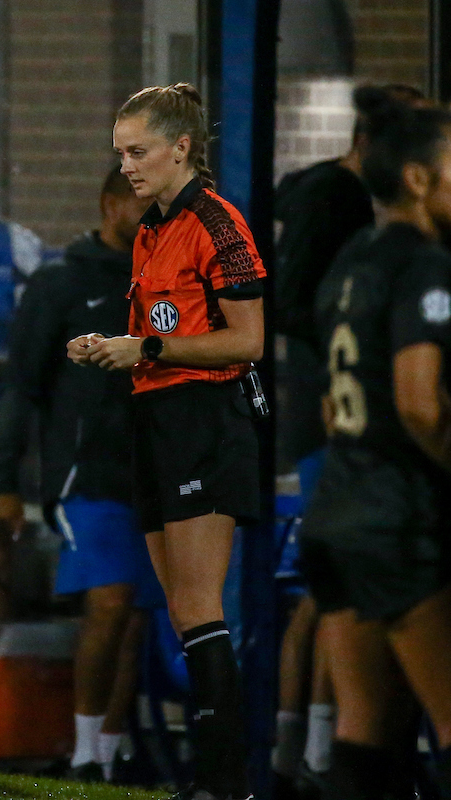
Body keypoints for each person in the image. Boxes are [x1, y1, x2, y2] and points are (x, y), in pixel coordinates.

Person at [71, 83, 266, 800]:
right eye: (120, 152)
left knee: (200, 605)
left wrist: (147, 347)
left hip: (206, 422)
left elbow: (249, 341)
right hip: (157, 419)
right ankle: (215, 780)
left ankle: (227, 782)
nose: (125, 165)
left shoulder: (216, 222)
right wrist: (116, 347)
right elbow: (163, 330)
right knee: (183, 608)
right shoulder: (152, 226)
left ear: (181, 148)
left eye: (138, 150)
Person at [270, 85, 424, 795]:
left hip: (342, 438)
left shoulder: (361, 244)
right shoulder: (361, 227)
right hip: (356, 444)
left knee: (332, 592)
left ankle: (318, 747)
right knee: (333, 595)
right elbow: (295, 300)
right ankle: (306, 747)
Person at [301, 104, 451, 800]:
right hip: (400, 520)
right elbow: (420, 402)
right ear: (420, 179)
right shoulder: (424, 264)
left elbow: (333, 408)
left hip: (338, 512)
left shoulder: (350, 262)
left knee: (366, 733)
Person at [0, 165, 159, 784]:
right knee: (110, 604)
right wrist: (4, 483)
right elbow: (22, 386)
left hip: (153, 474)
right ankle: (85, 752)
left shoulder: (164, 281)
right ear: (110, 205)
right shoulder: (61, 281)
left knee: (137, 613)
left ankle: (110, 751)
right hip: (85, 476)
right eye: (140, 206)